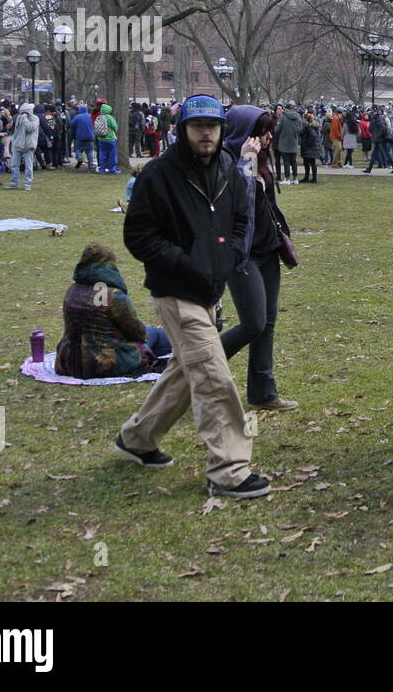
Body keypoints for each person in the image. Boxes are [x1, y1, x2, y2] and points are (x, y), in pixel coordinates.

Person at [118, 94, 268, 499]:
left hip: (210, 290)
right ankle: (229, 471)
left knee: (186, 371)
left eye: (213, 126)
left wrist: (232, 253)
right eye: (198, 126)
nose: (206, 133)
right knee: (213, 376)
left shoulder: (226, 169)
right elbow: (138, 235)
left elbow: (240, 219)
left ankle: (136, 438)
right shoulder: (159, 175)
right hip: (175, 291)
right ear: (182, 130)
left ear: (222, 130)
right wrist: (186, 263)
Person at [219, 105, 298, 412]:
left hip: (267, 251)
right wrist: (244, 160)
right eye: (261, 132)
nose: (267, 138)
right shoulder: (226, 160)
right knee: (253, 323)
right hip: (241, 255)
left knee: (268, 322)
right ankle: (194, 368)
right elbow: (234, 200)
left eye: (269, 132)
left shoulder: (263, 159)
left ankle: (263, 392)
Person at [55, 243, 169, 380]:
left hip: (68, 362)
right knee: (155, 334)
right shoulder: (111, 295)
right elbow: (138, 333)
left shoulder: (72, 291)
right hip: (105, 363)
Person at [6, 102, 40, 192]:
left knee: (28, 166)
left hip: (29, 145)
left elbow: (30, 129)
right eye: (22, 112)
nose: (23, 114)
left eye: (25, 112)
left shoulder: (35, 118)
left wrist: (25, 119)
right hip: (18, 145)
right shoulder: (18, 118)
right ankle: (14, 183)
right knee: (14, 165)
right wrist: (15, 140)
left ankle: (27, 184)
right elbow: (16, 130)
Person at [275, 103, 301, 185]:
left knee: (286, 161)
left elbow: (277, 130)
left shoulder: (283, 117)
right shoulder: (298, 117)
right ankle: (295, 178)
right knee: (293, 161)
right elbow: (300, 129)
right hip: (294, 141)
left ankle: (287, 179)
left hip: (284, 142)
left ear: (286, 109)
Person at [298, 111, 322, 183]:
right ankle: (308, 177)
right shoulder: (309, 127)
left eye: (303, 119)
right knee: (309, 163)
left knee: (310, 163)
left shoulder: (309, 127)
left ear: (306, 119)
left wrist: (307, 144)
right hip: (311, 148)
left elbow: (313, 136)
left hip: (309, 148)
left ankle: (312, 178)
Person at [95, 103, 119, 174]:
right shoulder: (110, 117)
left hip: (101, 138)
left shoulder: (99, 117)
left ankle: (102, 169)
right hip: (110, 138)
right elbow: (115, 127)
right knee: (112, 154)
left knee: (102, 154)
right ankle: (112, 169)